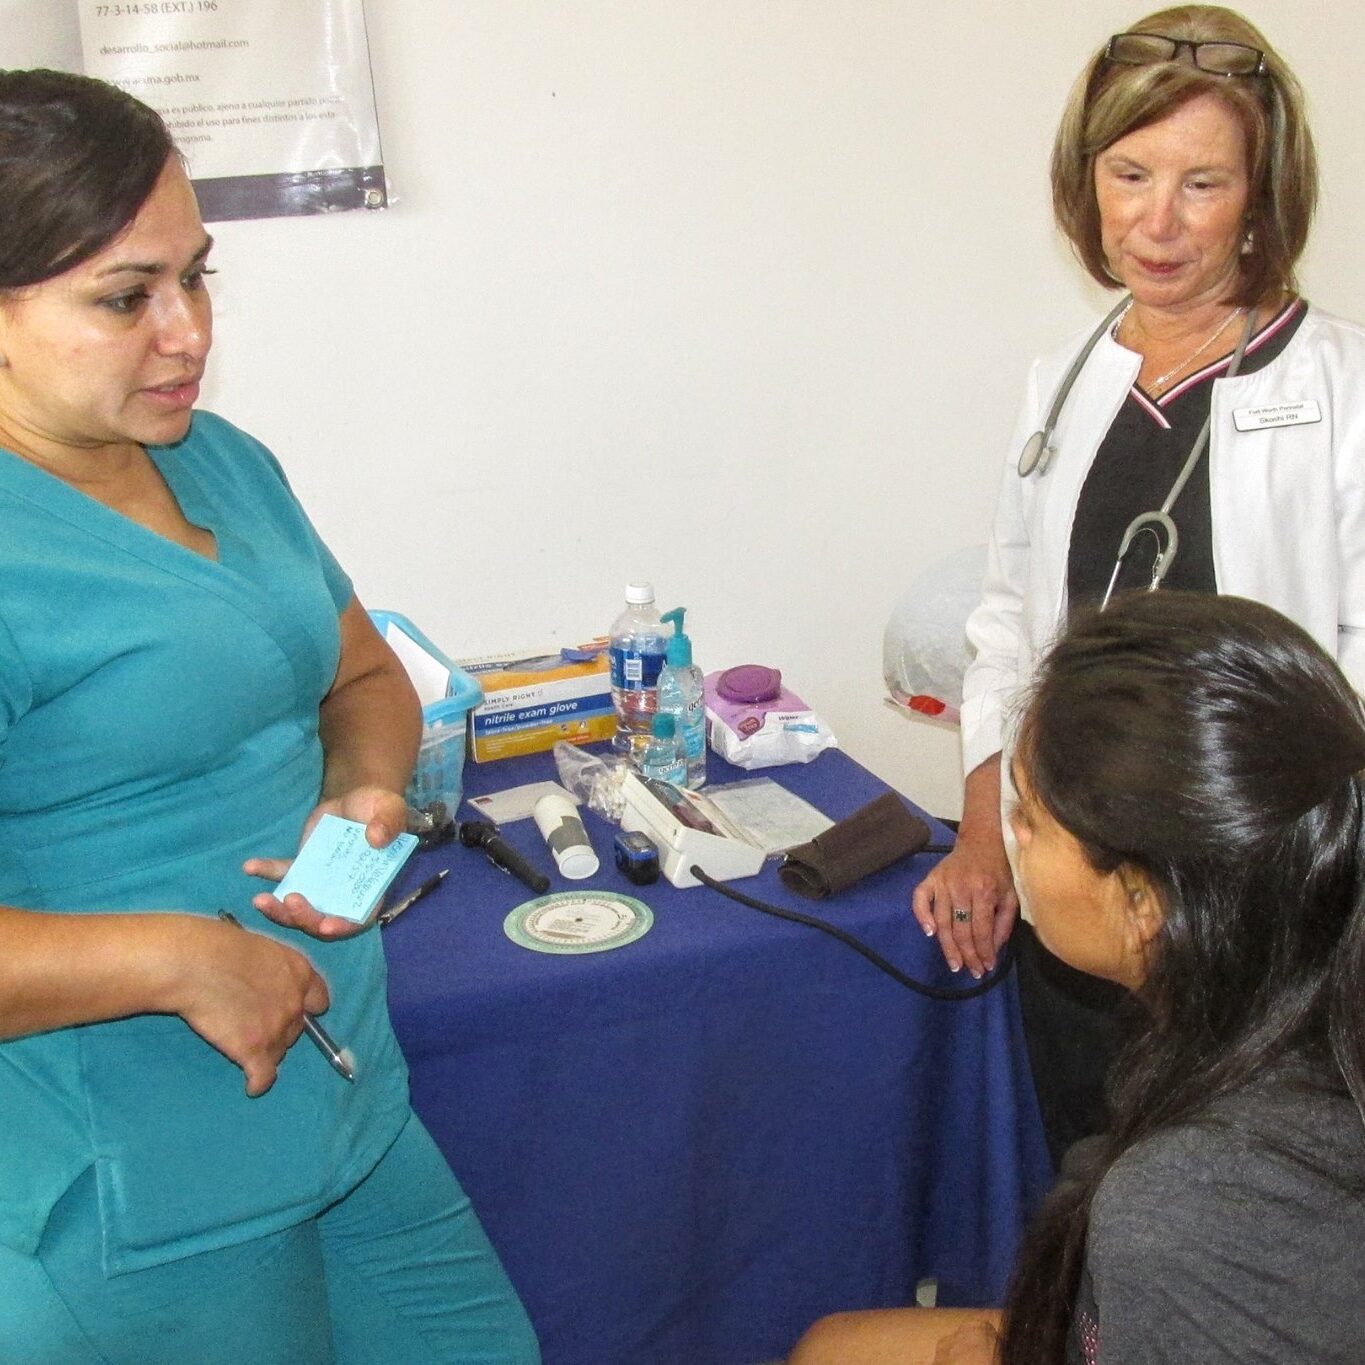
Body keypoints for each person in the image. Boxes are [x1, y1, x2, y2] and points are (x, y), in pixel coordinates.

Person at [0, 69, 539, 1363]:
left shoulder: (217, 458)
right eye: (126, 297)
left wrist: (366, 794)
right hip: (139, 1178)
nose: (185, 332)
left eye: (197, 277)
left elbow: (359, 675)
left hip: (340, 1097)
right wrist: (179, 956)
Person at [910, 5, 1365, 1165]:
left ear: (1264, 199)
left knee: (1227, 1208)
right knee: (1090, 1180)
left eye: (1203, 184)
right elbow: (1012, 617)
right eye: (1130, 173)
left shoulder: (1343, 396)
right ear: (1085, 178)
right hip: (1080, 903)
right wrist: (985, 831)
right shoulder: (1067, 380)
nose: (1157, 223)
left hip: (1255, 932)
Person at [792, 591, 1365, 1362]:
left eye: (1024, 816)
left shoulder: (1186, 1206)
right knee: (831, 1345)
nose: (1006, 835)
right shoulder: (1282, 991)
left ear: (1143, 903)